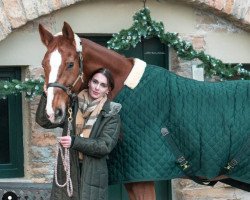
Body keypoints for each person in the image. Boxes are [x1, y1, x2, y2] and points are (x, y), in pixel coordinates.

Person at [36, 68, 121, 200]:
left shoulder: (111, 114)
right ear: (89, 82)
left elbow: (104, 146)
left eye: (103, 85)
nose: (97, 87)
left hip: (93, 173)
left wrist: (74, 142)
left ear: (108, 90)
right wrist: (46, 96)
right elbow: (45, 122)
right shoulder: (72, 104)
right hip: (68, 169)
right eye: (95, 82)